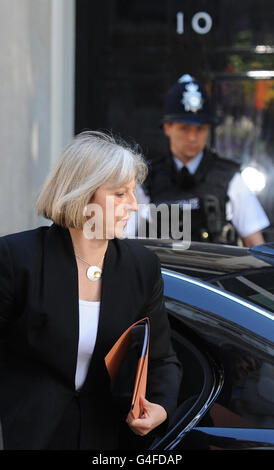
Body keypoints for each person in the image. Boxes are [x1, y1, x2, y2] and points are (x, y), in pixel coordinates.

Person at [0, 131, 182, 450]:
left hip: (108, 441)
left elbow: (163, 359)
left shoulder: (141, 267)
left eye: (133, 193)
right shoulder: (17, 259)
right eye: (120, 194)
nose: (134, 206)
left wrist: (162, 406)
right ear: (82, 196)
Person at [138, 74, 270, 247]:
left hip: (216, 273)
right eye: (184, 128)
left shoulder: (230, 179)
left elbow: (256, 246)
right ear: (167, 128)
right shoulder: (145, 180)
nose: (192, 137)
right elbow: (124, 244)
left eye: (200, 129)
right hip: (162, 273)